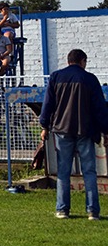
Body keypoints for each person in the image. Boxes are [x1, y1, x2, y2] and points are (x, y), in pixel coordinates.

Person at [39, 49, 108, 220]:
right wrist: (106, 130)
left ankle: (62, 210)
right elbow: (100, 109)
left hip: (62, 130)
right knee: (89, 171)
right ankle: (92, 211)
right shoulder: (90, 79)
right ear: (82, 61)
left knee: (63, 171)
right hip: (85, 130)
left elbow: (48, 104)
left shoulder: (56, 77)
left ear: (68, 60)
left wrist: (44, 125)